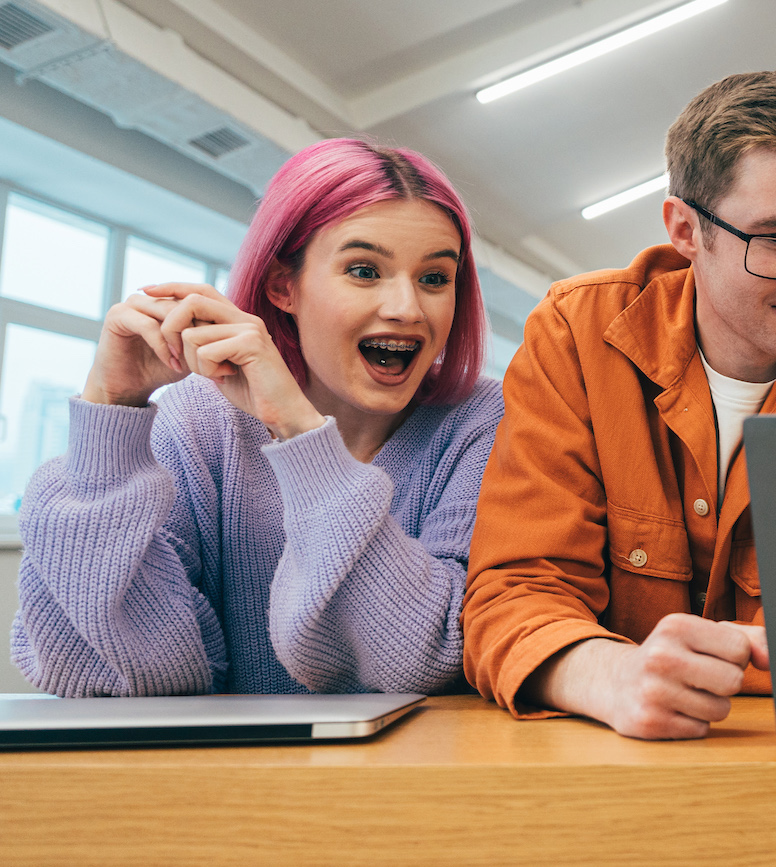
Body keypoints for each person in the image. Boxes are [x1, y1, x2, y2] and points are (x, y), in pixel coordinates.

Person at [464, 71, 776, 739]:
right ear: (686, 230)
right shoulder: (577, 332)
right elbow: (513, 592)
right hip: (606, 761)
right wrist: (615, 677)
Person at [12, 138, 502, 697]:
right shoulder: (201, 423)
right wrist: (110, 410)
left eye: (435, 279)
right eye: (364, 271)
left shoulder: (483, 424)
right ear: (282, 286)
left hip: (419, 776)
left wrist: (300, 435)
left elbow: (427, 660)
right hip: (231, 780)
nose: (407, 308)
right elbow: (110, 671)